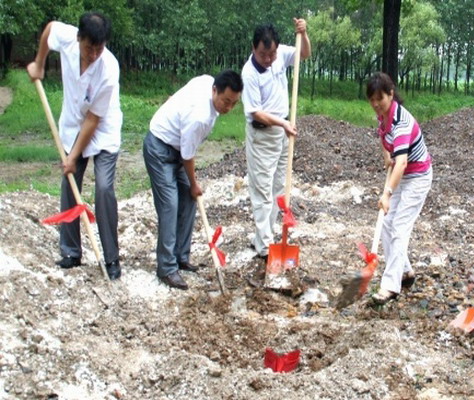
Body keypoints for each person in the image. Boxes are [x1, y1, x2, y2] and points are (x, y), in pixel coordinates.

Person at [26, 12, 123, 280]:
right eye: (89, 48)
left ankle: (111, 258)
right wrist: (39, 63)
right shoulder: (68, 38)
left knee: (104, 188)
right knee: (69, 183)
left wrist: (74, 156)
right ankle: (71, 252)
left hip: (102, 129)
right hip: (72, 124)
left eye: (99, 49)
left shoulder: (109, 68)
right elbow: (49, 30)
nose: (94, 54)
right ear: (79, 38)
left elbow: (93, 120)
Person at [143, 71, 243, 290]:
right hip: (159, 148)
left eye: (234, 103)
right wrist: (194, 184)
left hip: (177, 145)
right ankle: (167, 268)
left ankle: (181, 256)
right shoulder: (200, 117)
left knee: (189, 200)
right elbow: (187, 156)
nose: (228, 108)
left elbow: (177, 96)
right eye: (226, 101)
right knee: (170, 205)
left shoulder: (206, 81)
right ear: (214, 90)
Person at [241, 19, 311, 261]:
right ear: (254, 47)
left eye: (271, 54)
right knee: (261, 190)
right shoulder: (249, 73)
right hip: (262, 135)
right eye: (263, 54)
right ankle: (265, 246)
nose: (268, 59)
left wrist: (304, 34)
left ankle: (265, 236)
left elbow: (304, 54)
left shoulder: (279, 55)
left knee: (278, 188)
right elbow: (255, 113)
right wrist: (282, 123)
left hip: (283, 132)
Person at [366, 72, 433, 305]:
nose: (376, 104)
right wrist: (387, 155)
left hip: (418, 176)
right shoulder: (383, 116)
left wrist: (387, 194)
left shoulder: (402, 122)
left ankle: (390, 286)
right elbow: (383, 136)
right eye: (372, 100)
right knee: (386, 223)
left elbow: (402, 162)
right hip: (401, 174)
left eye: (380, 99)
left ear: (391, 94)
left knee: (399, 227)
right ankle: (404, 271)